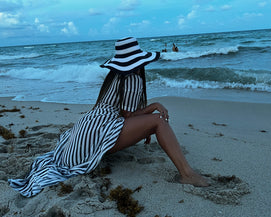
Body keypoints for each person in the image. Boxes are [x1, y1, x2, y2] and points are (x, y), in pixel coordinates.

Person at [8, 37, 208, 197]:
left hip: (87, 128)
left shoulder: (115, 76)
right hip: (102, 129)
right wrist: (153, 108)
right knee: (158, 120)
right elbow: (127, 116)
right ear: (139, 60)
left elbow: (122, 115)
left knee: (151, 121)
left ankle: (185, 171)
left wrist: (143, 125)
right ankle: (187, 174)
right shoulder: (133, 78)